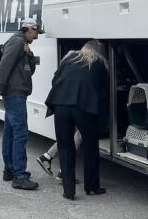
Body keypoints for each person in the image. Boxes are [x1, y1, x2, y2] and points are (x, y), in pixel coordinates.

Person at [45, 40, 109, 200]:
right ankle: (92, 187)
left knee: (65, 146)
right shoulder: (99, 63)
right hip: (84, 107)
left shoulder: (68, 59)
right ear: (99, 52)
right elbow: (105, 89)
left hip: (60, 104)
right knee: (90, 145)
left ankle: (69, 190)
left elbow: (55, 81)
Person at [0, 18, 40, 190]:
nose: (37, 36)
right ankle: (19, 175)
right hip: (14, 93)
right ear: (30, 29)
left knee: (10, 132)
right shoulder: (17, 42)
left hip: (16, 93)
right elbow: (4, 65)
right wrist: (0, 88)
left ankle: (9, 170)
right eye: (36, 32)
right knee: (21, 133)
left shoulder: (22, 44)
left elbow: (30, 70)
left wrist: (30, 54)